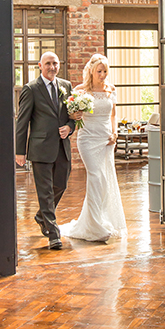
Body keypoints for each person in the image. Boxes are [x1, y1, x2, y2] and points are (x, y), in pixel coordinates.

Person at [60, 54, 127, 243]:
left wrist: (115, 133)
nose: (103, 74)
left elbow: (113, 115)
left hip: (106, 140)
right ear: (91, 71)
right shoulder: (80, 90)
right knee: (96, 176)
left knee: (105, 179)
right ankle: (95, 226)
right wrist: (76, 113)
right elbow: (72, 115)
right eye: (100, 71)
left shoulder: (111, 90)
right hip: (88, 139)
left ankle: (100, 219)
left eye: (105, 71)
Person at [15, 52, 76, 250]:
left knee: (61, 184)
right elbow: (22, 122)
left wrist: (70, 127)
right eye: (48, 63)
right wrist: (19, 151)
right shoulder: (31, 89)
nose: (52, 67)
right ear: (40, 65)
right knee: (45, 192)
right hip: (40, 149)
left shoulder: (66, 86)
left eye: (55, 64)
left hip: (61, 147)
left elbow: (73, 116)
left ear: (59, 65)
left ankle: (41, 216)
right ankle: (53, 233)